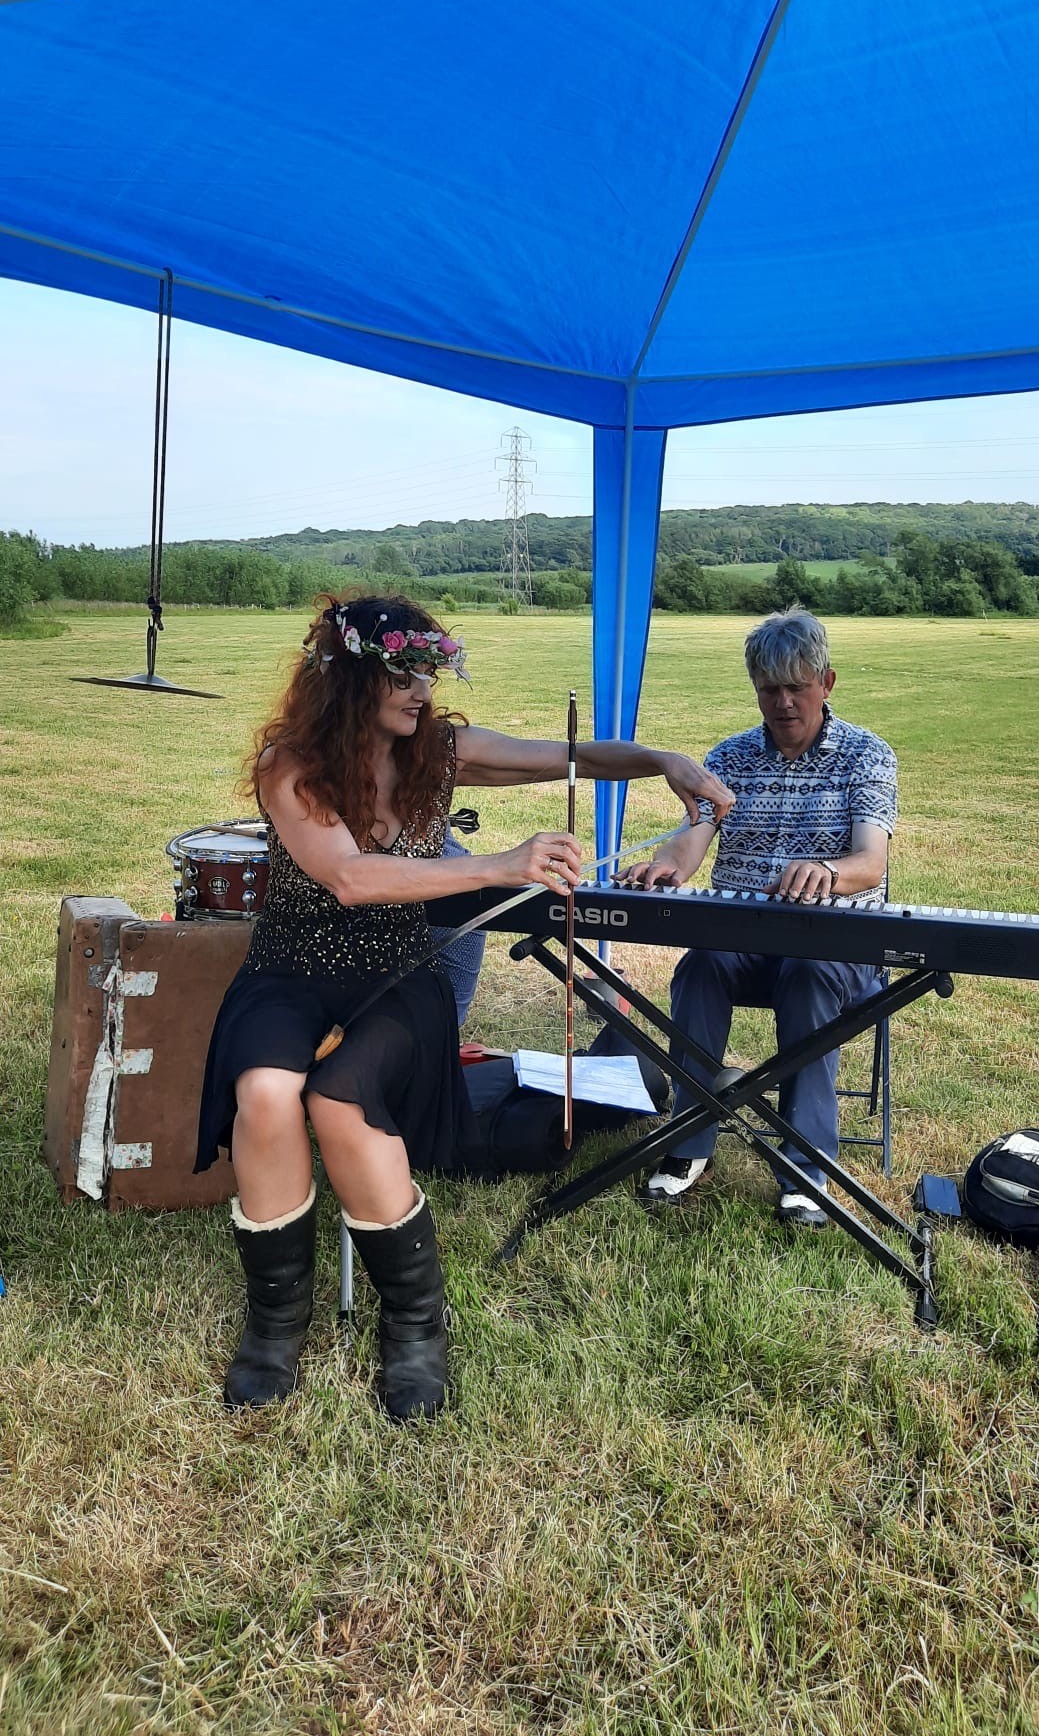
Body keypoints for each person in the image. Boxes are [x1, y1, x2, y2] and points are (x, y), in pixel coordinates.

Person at [196, 593, 733, 1418]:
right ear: (351, 679)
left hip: (397, 974)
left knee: (339, 1102)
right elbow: (350, 878)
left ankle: (415, 1325)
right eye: (405, 675)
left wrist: (664, 760)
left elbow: (569, 755)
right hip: (290, 970)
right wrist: (498, 864)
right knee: (265, 1094)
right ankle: (274, 1323)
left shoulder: (436, 750)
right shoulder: (290, 764)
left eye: (430, 674)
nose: (423, 691)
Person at [621, 608, 897, 1227]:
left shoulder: (867, 755)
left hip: (834, 945)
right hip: (742, 936)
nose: (783, 703)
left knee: (808, 974)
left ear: (827, 682)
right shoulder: (731, 757)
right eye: (769, 689)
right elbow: (692, 841)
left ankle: (806, 1168)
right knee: (701, 967)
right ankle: (689, 1140)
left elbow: (870, 863)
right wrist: (664, 868)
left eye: (797, 687)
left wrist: (826, 873)